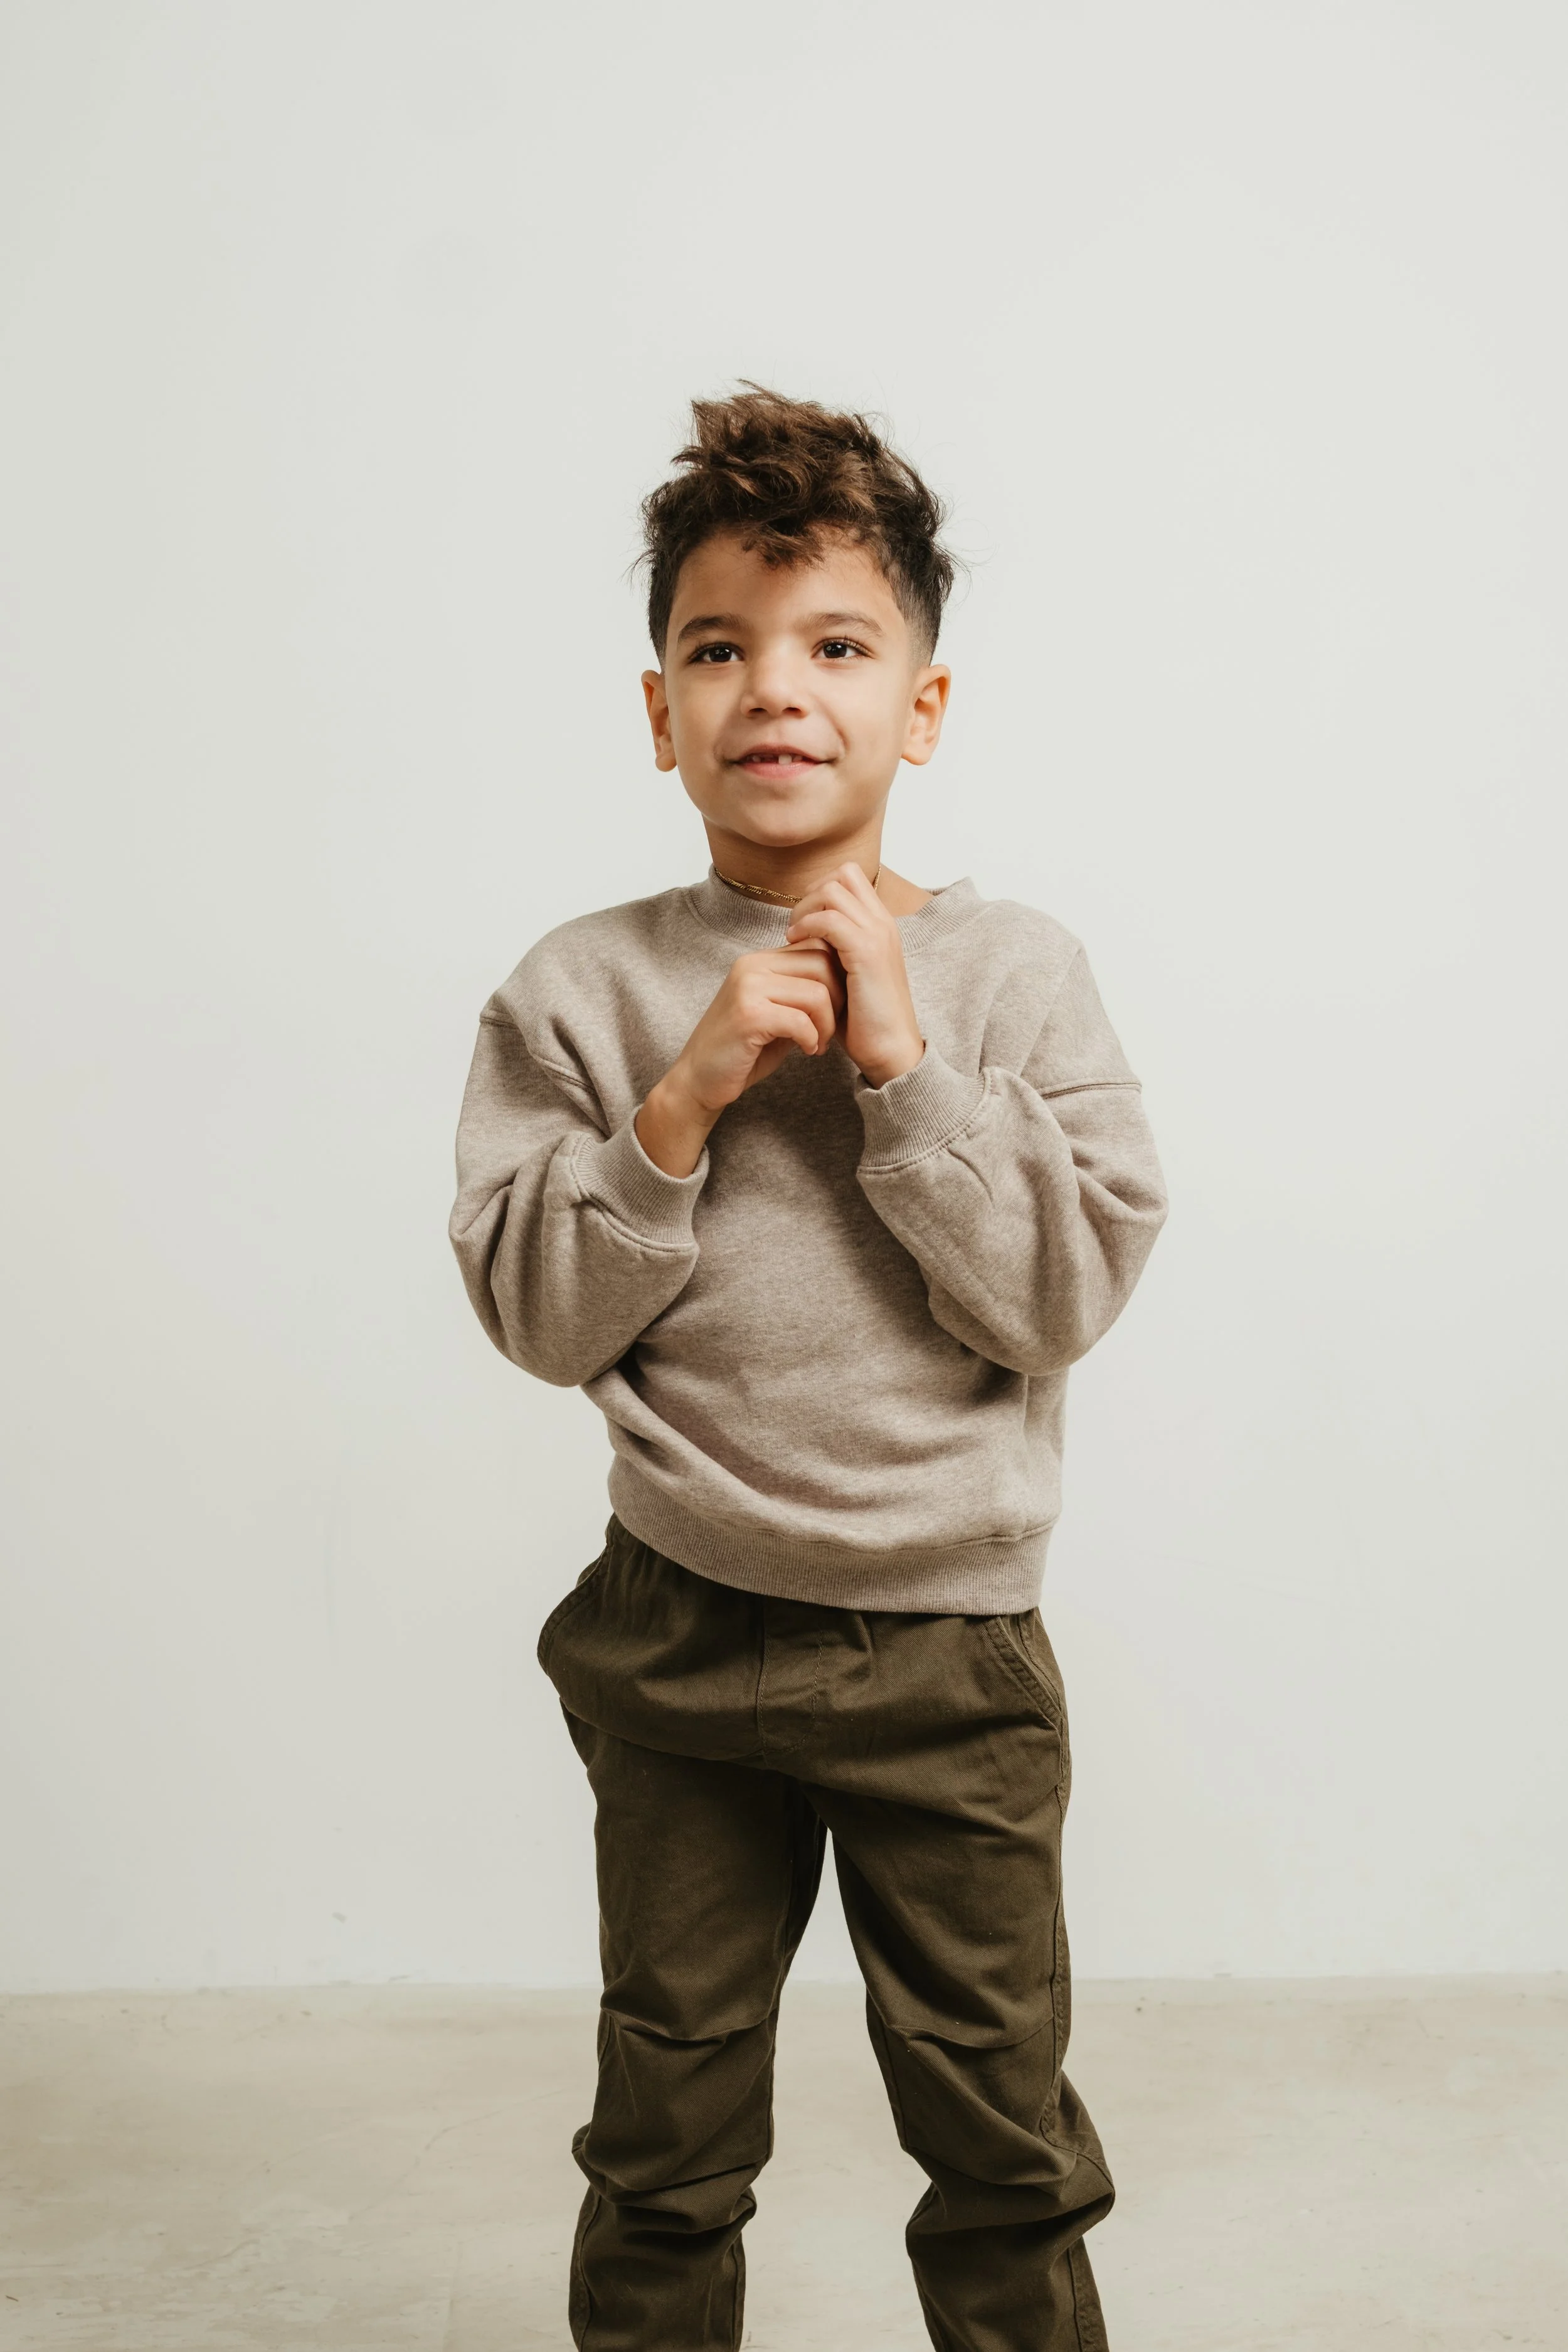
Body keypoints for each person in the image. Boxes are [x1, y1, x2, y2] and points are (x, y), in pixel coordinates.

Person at [450, 386, 1167, 2352]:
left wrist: (901, 1068)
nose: (775, 686)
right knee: (665, 2129)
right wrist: (677, 1104)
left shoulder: (1017, 973)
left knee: (998, 2128)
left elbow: (1055, 1294)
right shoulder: (578, 987)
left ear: (918, 707)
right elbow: (536, 1317)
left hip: (949, 1648)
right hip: (677, 1633)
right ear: (660, 708)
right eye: (719, 647)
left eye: (837, 645)